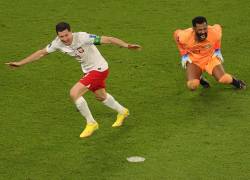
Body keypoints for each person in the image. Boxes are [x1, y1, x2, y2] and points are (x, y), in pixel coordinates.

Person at [5, 22, 141, 138]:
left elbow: (109, 39)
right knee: (101, 96)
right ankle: (123, 111)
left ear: (71, 32)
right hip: (89, 70)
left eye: (66, 35)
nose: (64, 39)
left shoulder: (83, 37)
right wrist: (21, 63)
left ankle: (91, 123)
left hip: (99, 69)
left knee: (74, 93)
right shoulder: (57, 43)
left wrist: (126, 45)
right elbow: (41, 53)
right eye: (61, 36)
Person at [174, 16, 246, 90]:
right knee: (192, 86)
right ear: (194, 29)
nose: (203, 32)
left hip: (210, 57)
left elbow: (218, 29)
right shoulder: (185, 36)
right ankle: (200, 78)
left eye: (205, 29)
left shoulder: (214, 32)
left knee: (223, 79)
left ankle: (237, 82)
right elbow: (176, 34)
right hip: (194, 60)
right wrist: (184, 55)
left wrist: (217, 49)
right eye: (200, 30)